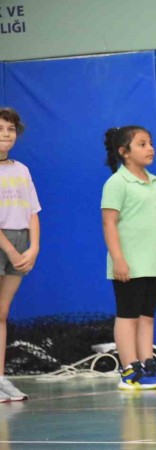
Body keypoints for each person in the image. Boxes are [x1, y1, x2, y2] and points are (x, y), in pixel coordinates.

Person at [101, 125, 156, 390]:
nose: (150, 149)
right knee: (128, 316)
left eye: (150, 143)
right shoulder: (116, 183)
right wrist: (118, 259)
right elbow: (109, 223)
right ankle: (129, 369)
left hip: (154, 262)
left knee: (147, 316)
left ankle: (148, 365)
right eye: (142, 144)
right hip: (129, 263)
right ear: (124, 152)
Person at [0, 107, 40, 402]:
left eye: (10, 129)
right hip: (5, 244)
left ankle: (1, 378)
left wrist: (33, 247)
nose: (5, 134)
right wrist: (12, 251)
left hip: (20, 241)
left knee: (2, 314)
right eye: (1, 128)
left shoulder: (21, 169)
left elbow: (33, 212)